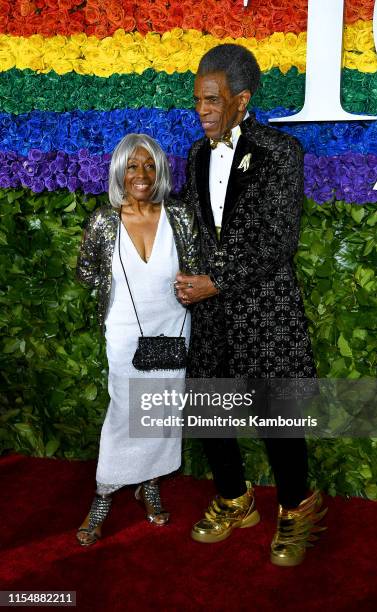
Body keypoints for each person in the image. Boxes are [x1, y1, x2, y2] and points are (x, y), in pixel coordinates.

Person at [175, 44, 327, 567]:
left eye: (213, 100)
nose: (203, 111)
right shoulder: (196, 156)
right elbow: (196, 227)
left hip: (264, 305)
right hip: (212, 311)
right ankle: (235, 499)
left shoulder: (281, 151)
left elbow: (276, 239)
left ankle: (295, 508)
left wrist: (214, 281)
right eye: (197, 101)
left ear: (242, 100)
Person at [76, 133, 200, 546]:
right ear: (120, 173)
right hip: (126, 331)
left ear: (160, 170)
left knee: (162, 412)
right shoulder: (103, 221)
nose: (141, 174)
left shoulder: (179, 216)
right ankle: (104, 494)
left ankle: (149, 484)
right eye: (132, 166)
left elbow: (195, 267)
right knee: (125, 412)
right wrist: (117, 289)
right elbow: (86, 273)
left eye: (149, 165)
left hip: (174, 326)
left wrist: (187, 288)